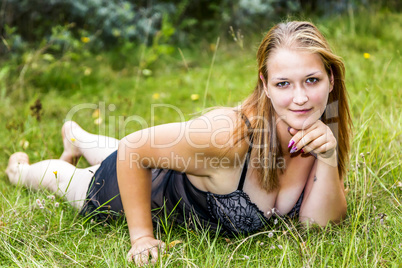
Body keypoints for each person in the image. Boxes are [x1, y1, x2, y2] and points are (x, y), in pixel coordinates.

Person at [5, 21, 352, 266]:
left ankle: (78, 137)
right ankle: (23, 167)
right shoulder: (228, 135)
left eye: (311, 80)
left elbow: (317, 226)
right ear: (264, 83)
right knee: (61, 178)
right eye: (283, 84)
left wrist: (328, 155)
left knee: (127, 152)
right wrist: (141, 237)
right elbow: (133, 149)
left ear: (331, 77)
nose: (301, 98)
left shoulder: (316, 134)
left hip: (169, 166)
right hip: (126, 187)